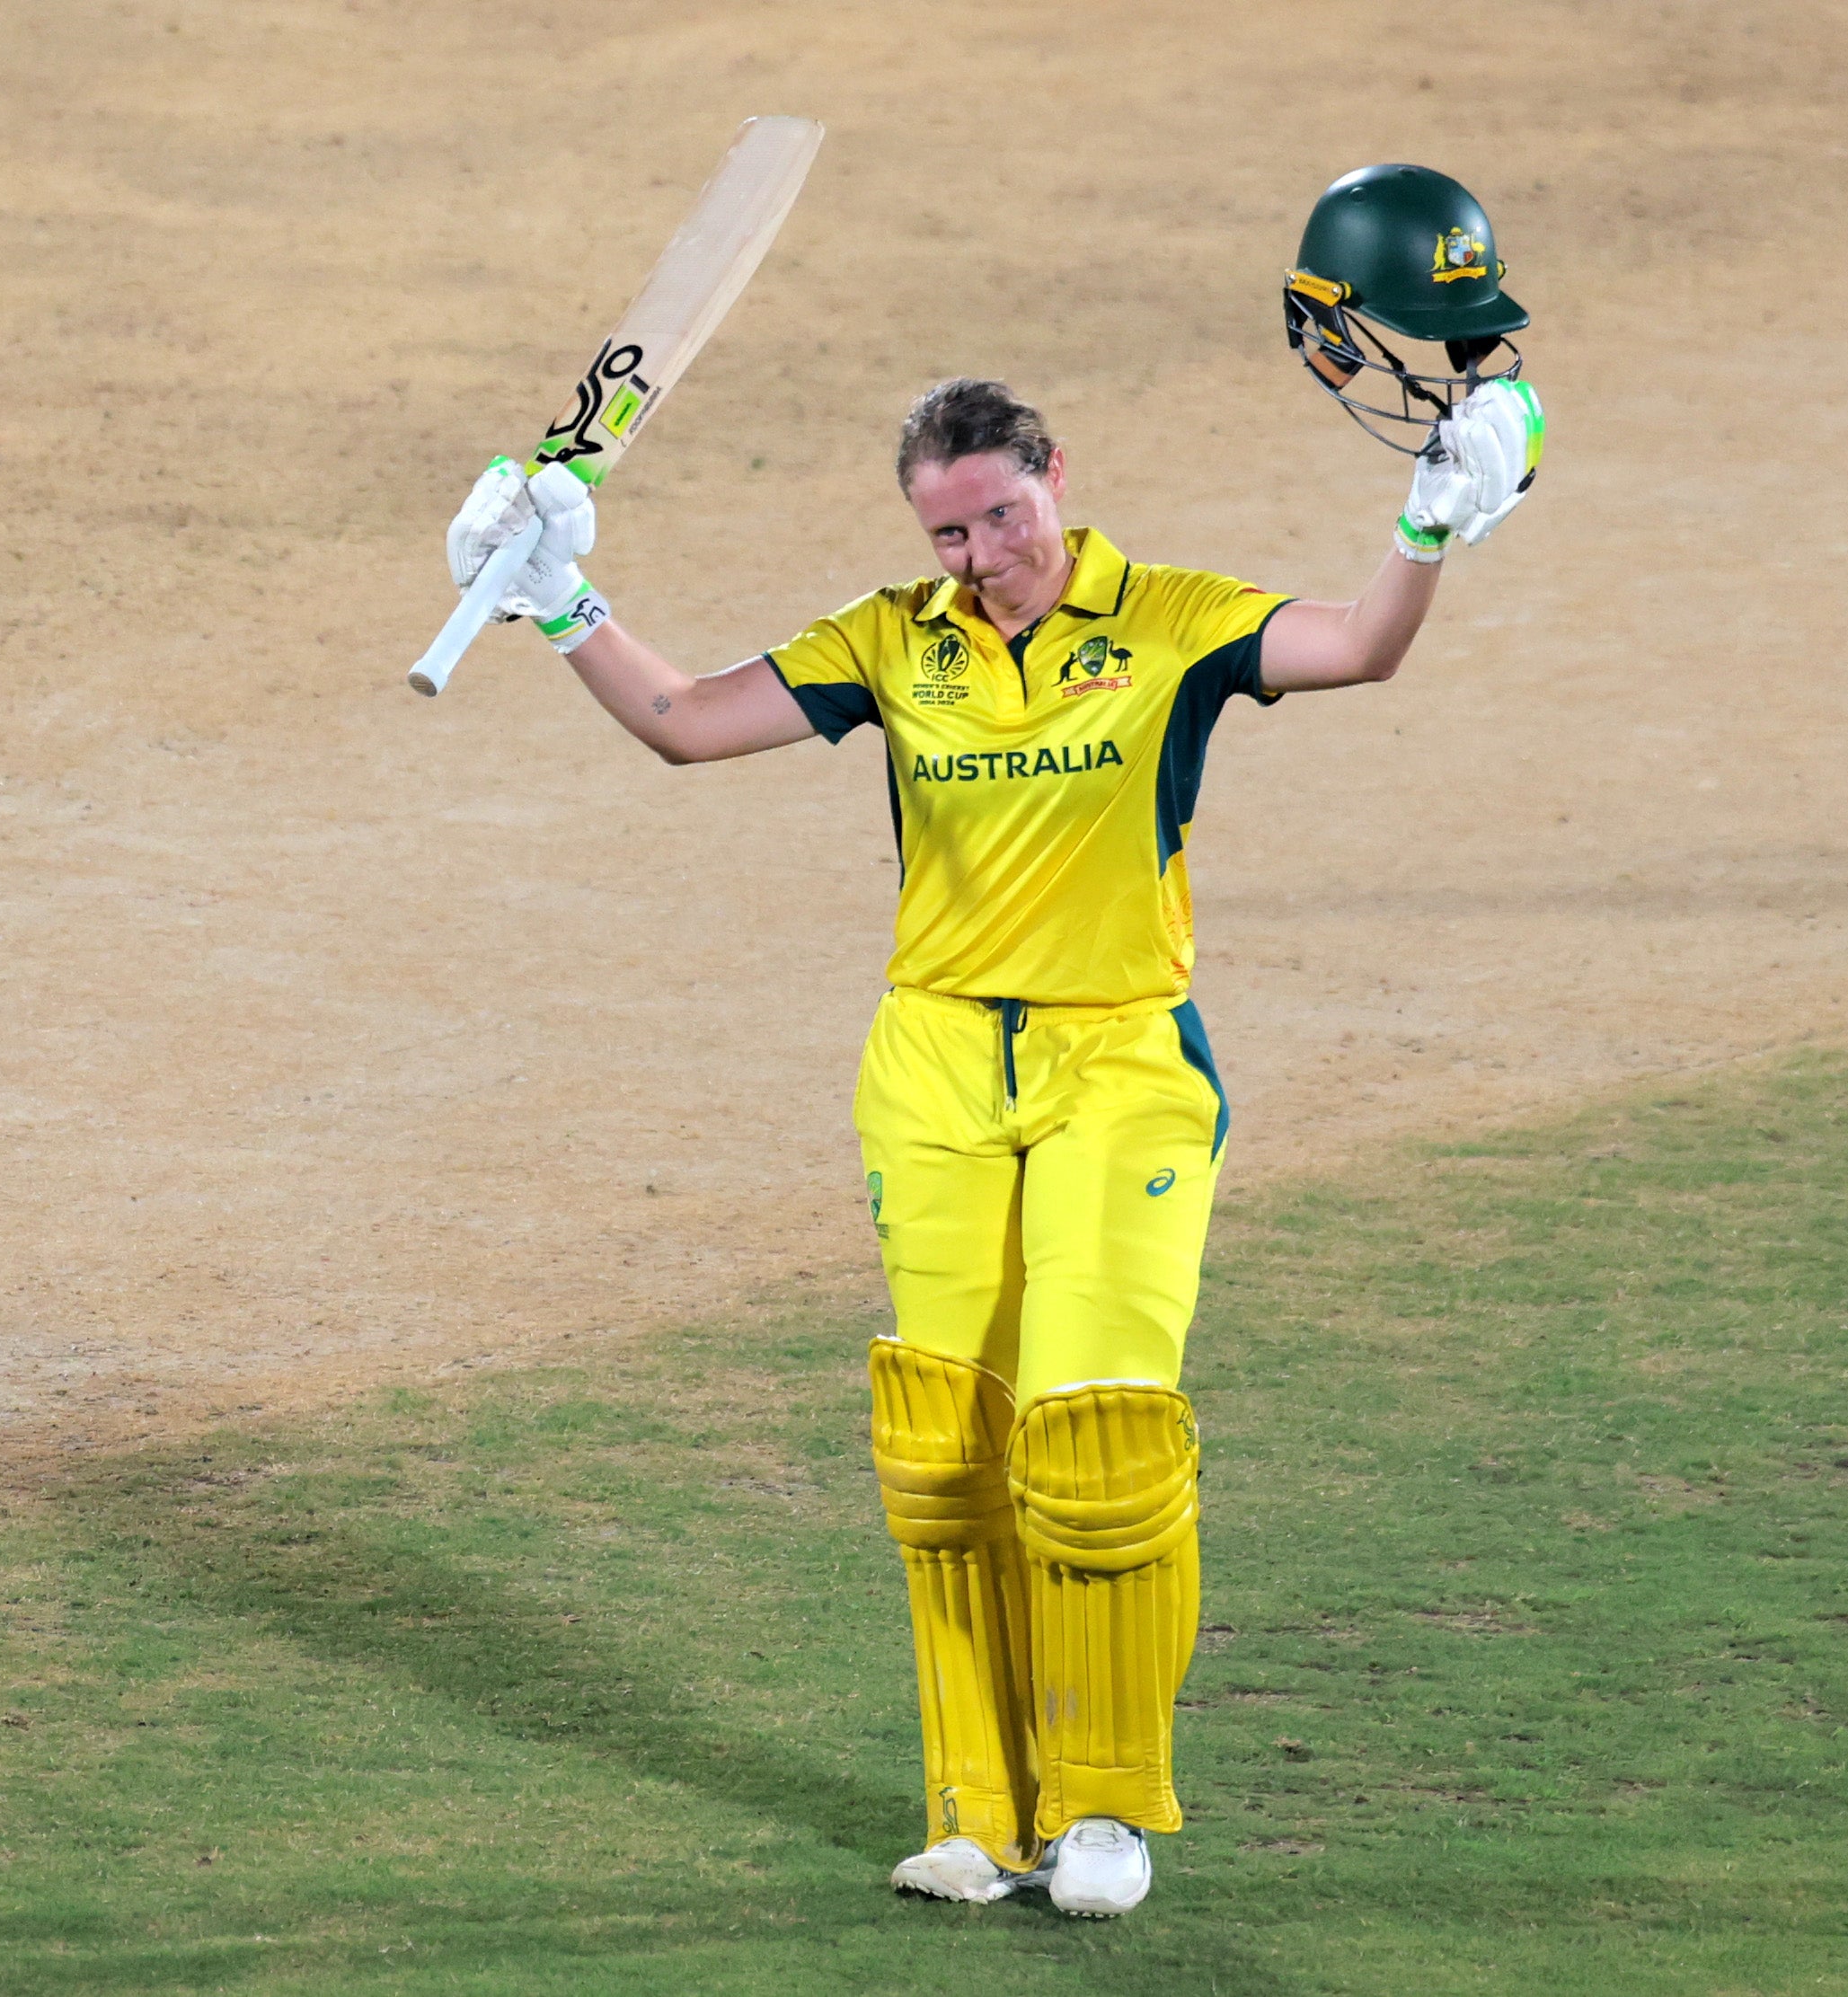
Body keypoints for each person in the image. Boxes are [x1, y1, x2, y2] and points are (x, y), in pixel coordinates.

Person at [442, 196, 1534, 1917]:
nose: (977, 559)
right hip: (935, 1065)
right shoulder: (892, 643)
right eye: (947, 535)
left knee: (1098, 1435)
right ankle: (978, 1811)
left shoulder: (1167, 620)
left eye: (998, 520)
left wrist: (1427, 524)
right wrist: (558, 597)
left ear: (1053, 480)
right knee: (942, 1452)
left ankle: (1104, 1813)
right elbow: (682, 724)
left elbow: (1356, 645)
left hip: (1120, 1066)